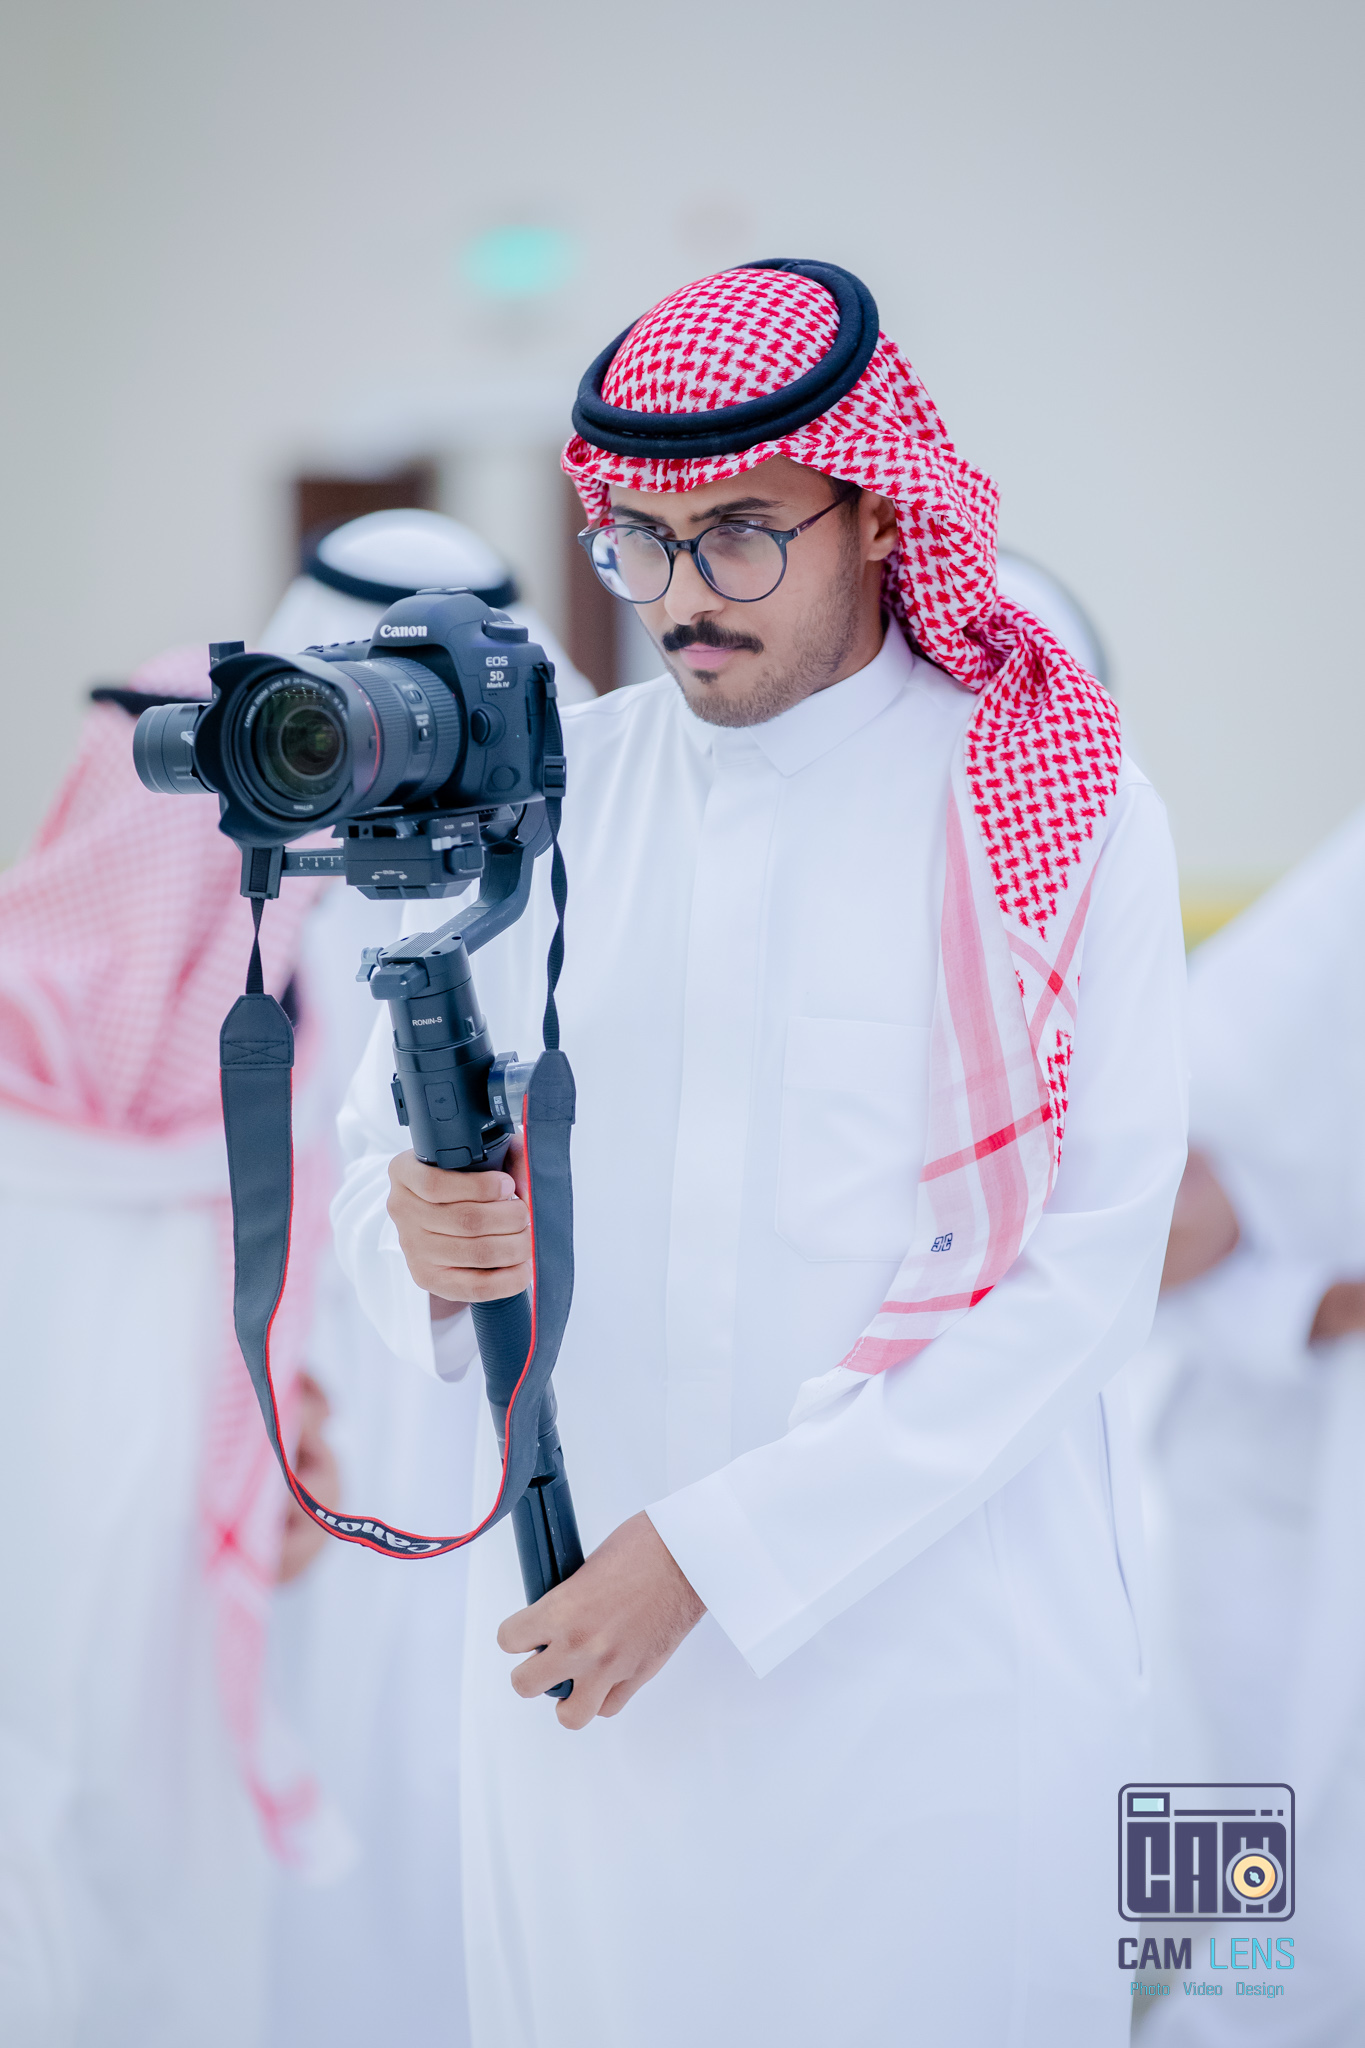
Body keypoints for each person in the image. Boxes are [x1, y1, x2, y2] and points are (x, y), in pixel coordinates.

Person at [333, 260, 1188, 2046]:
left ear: (872, 509)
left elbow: (1080, 1274)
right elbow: (374, 1143)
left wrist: (720, 1554)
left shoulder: (1058, 809)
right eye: (638, 543)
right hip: (583, 1684)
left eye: (736, 536)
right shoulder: (550, 797)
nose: (679, 598)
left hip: (928, 1685)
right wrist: (408, 1227)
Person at [0, 509, 593, 2048]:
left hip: (523, 1419)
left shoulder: (595, 815)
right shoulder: (244, 829)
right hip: (292, 1424)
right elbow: (136, 1124)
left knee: (492, 1833)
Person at [1133, 809, 1365, 2044]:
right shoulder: (1323, 944)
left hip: (1307, 1461)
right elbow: (1156, 1214)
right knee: (1233, 1875)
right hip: (1252, 1480)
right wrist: (1322, 1306)